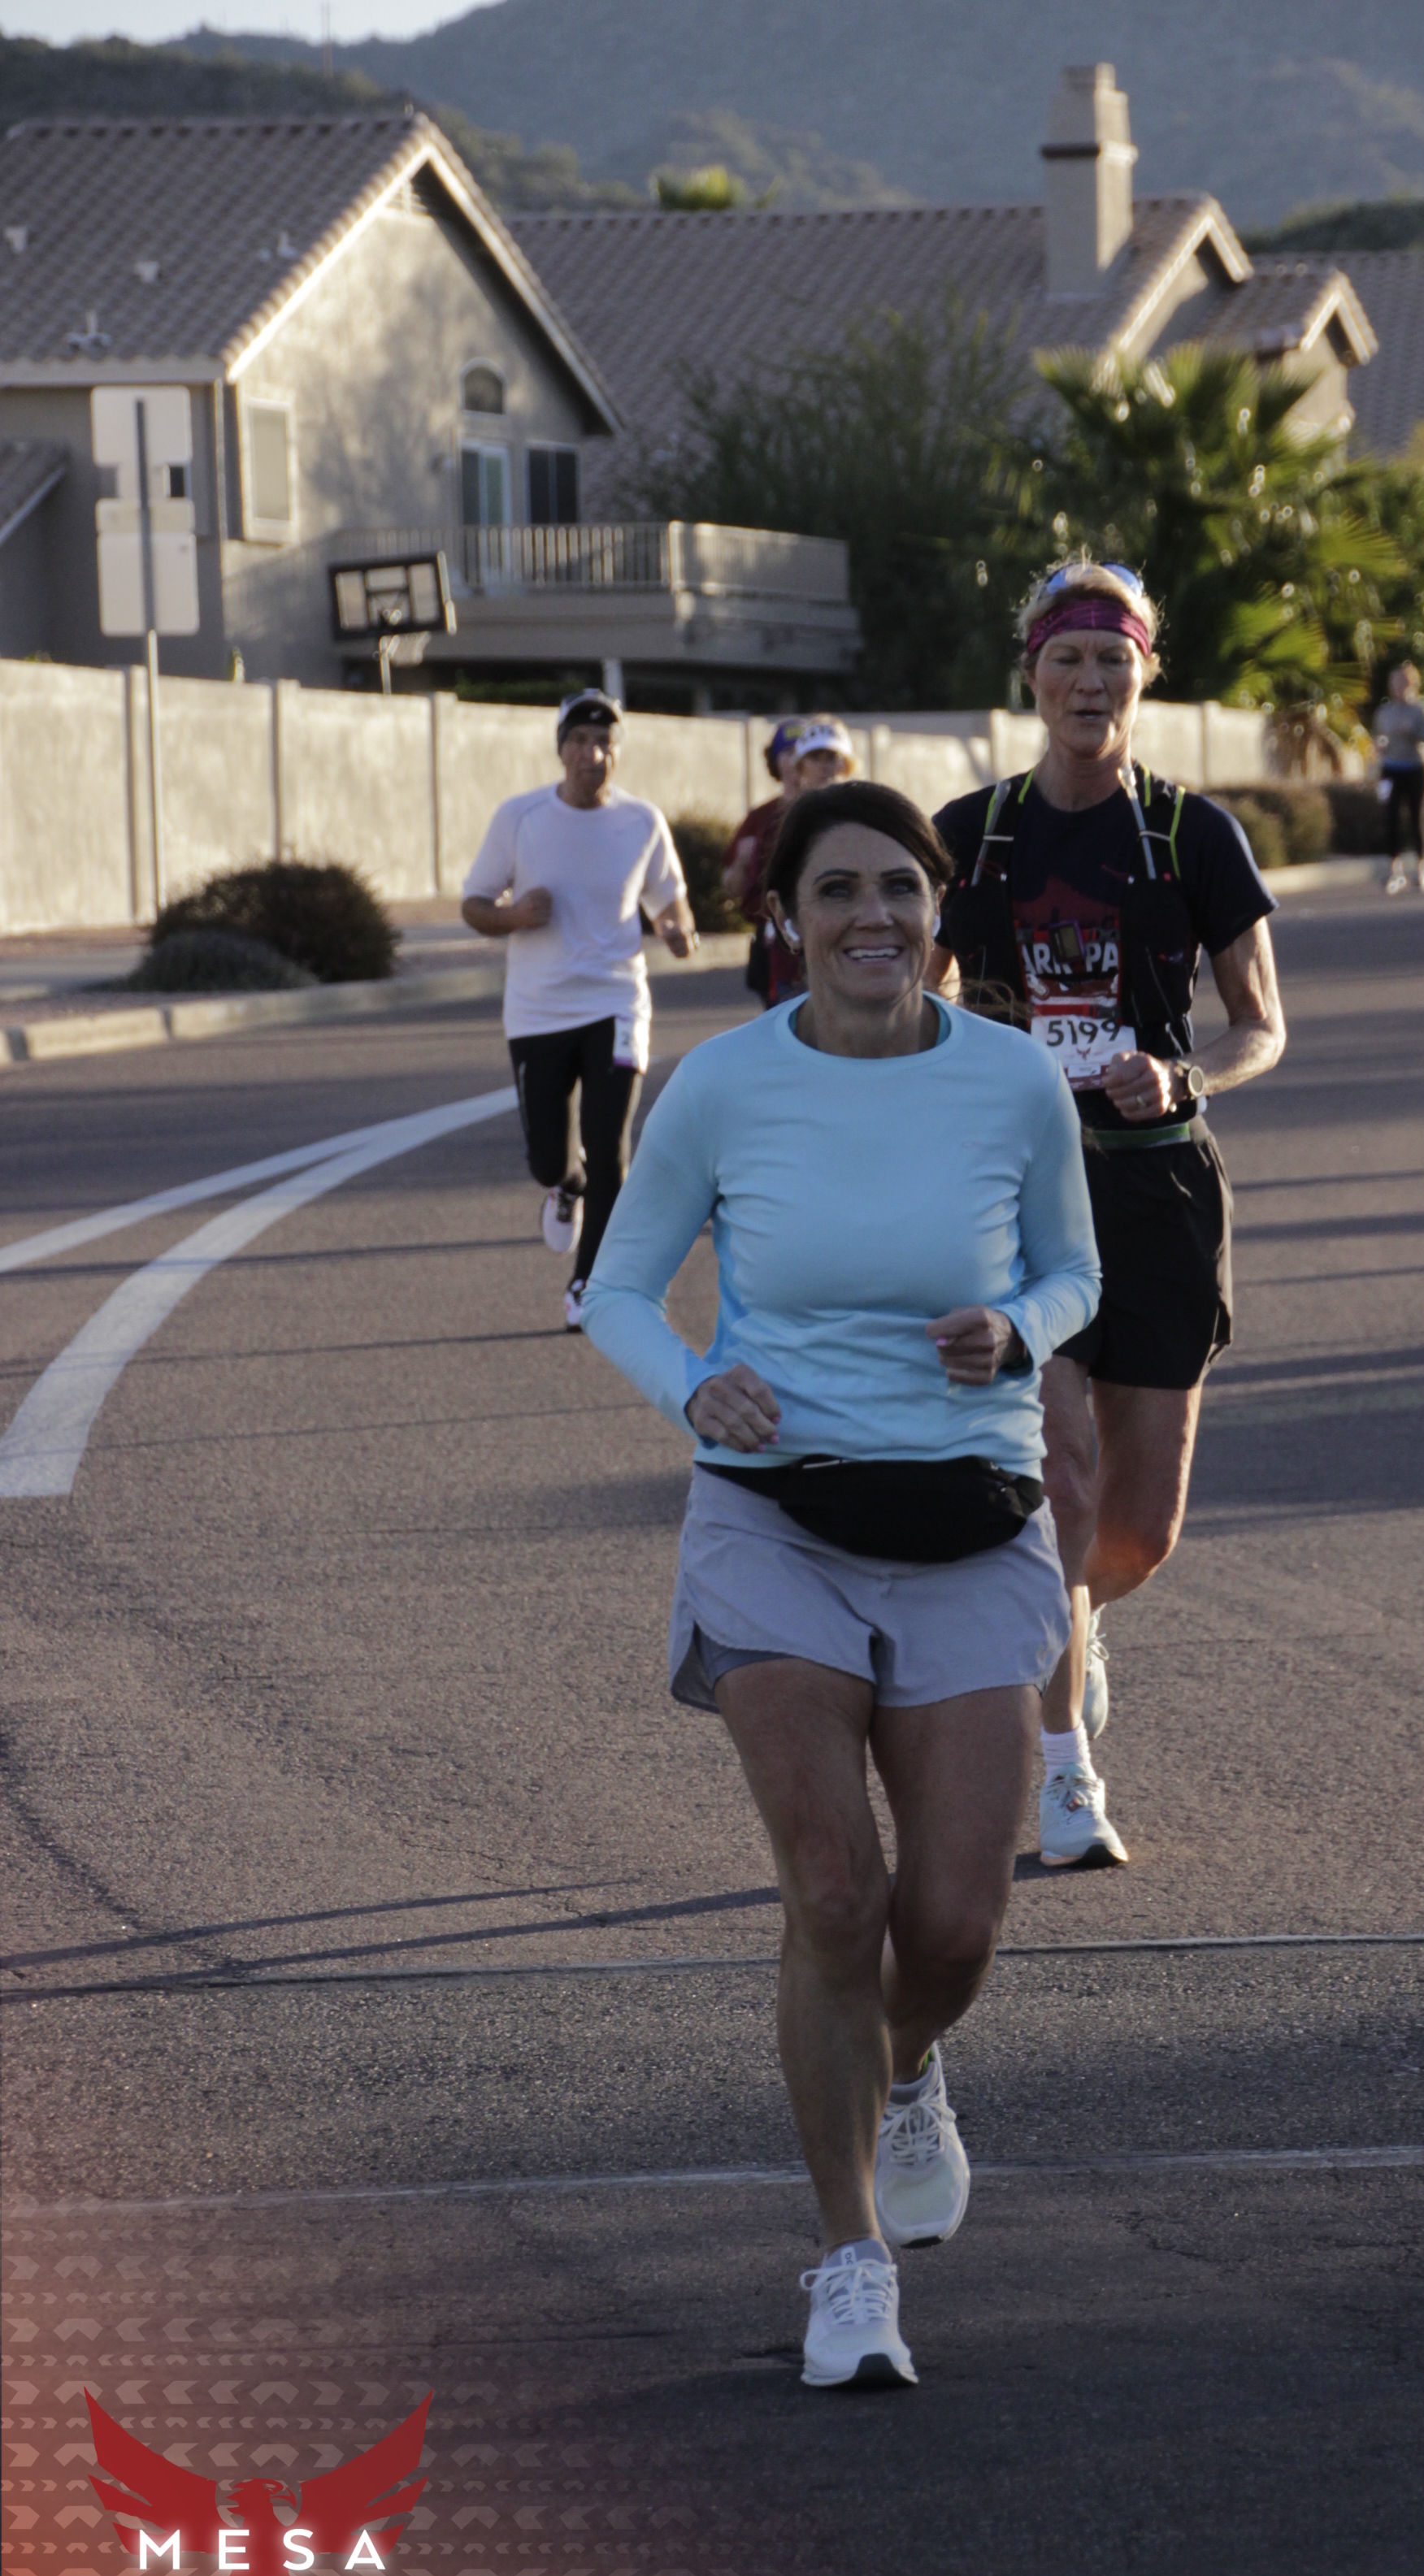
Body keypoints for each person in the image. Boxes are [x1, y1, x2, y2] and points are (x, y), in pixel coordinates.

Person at [581, 779, 1099, 2387]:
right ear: (786, 919)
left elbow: (1074, 1271)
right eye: (837, 892)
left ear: (937, 914)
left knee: (951, 1924)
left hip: (970, 1519)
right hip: (775, 1519)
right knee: (831, 1892)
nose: (871, 916)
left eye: (898, 890)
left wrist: (1016, 1328)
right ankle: (850, 2262)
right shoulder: (725, 1086)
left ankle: (905, 2058)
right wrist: (695, 1389)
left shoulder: (1011, 1079)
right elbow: (616, 1289)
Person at [931, 561, 1284, 1871]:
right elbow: (907, 995)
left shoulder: (1193, 836)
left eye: (1113, 660)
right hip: (1019, 1197)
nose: (1090, 683)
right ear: (1032, 673)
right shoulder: (971, 836)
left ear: (1146, 673)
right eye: (1067, 659)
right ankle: (1066, 1772)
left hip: (1158, 1189)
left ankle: (1073, 1621)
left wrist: (1183, 1075)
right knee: (1062, 1479)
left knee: (1138, 1530)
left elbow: (1262, 1026)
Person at [462, 690, 698, 1331]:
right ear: (560, 749)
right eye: (581, 741)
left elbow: (669, 899)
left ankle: (587, 1283)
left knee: (610, 1141)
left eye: (605, 743)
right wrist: (514, 916)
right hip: (538, 1009)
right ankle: (568, 1187)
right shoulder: (521, 817)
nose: (593, 754)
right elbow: (475, 904)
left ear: (618, 753)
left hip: (617, 1002)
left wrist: (676, 928)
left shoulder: (641, 821)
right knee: (548, 1157)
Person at [729, 718, 859, 1008]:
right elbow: (752, 899)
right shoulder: (774, 825)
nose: (825, 766)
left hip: (851, 958)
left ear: (846, 765)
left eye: (832, 757)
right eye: (815, 757)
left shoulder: (867, 822)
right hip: (792, 967)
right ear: (801, 767)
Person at [1372, 660, 1424, 896]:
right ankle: (1395, 869)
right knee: (1390, 817)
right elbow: (1377, 736)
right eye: (1394, 683)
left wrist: (1412, 732)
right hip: (1390, 769)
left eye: (1402, 682)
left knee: (1416, 817)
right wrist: (1379, 745)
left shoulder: (1421, 710)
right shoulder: (1384, 712)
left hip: (1415, 767)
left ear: (1412, 684)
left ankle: (1422, 867)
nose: (1397, 687)